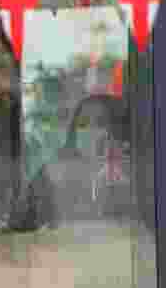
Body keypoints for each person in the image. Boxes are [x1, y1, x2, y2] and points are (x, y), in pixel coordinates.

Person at [20, 94, 135, 230]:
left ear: (119, 131)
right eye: (83, 124)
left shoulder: (133, 174)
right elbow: (24, 221)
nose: (91, 130)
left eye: (101, 123)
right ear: (73, 131)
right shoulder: (52, 173)